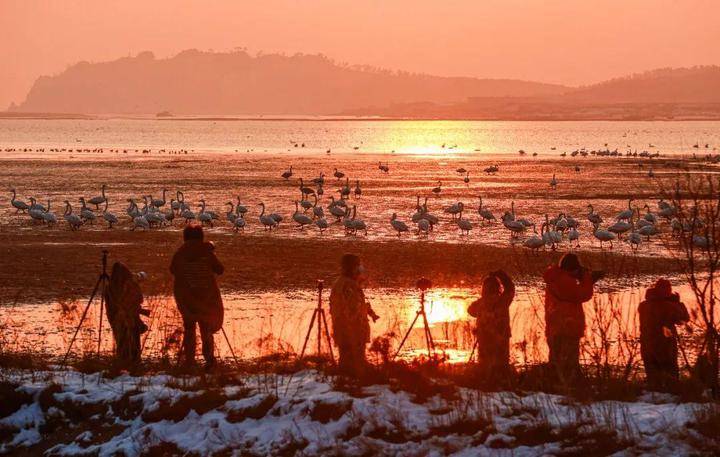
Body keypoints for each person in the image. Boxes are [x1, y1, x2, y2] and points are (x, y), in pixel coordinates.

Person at [170, 224, 224, 369]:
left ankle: (189, 361)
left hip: (186, 300)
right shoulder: (206, 252)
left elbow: (173, 270)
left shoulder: (180, 253)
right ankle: (209, 360)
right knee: (205, 329)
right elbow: (220, 269)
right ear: (201, 237)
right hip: (206, 298)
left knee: (189, 329)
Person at [543, 253, 599, 382]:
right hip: (568, 326)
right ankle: (567, 387)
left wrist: (583, 280)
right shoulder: (565, 280)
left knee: (555, 360)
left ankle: (553, 385)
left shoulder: (554, 277)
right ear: (572, 268)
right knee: (569, 362)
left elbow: (570, 294)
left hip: (554, 326)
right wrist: (587, 279)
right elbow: (582, 295)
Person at [329, 254, 378, 377]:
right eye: (358, 265)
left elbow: (355, 305)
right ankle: (351, 387)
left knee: (348, 363)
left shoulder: (344, 283)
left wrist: (370, 312)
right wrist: (357, 331)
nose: (361, 268)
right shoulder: (348, 285)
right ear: (352, 268)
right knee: (352, 365)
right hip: (351, 333)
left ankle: (346, 385)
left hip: (345, 331)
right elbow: (352, 310)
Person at [638, 278, 689, 389]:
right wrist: (678, 304)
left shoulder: (643, 305)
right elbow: (684, 319)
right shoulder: (669, 305)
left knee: (653, 375)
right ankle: (669, 392)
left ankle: (655, 393)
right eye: (667, 289)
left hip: (647, 343)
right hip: (665, 344)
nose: (669, 291)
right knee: (671, 373)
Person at [467, 270, 515, 380]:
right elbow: (510, 288)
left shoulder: (480, 303)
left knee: (485, 363)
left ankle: (485, 381)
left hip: (484, 339)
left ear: (484, 289)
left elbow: (470, 310)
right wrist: (501, 275)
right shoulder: (503, 301)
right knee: (501, 364)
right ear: (498, 287)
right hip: (501, 339)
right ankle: (501, 382)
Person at [104, 262, 149, 365]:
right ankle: (133, 362)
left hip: (116, 319)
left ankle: (123, 361)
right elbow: (139, 299)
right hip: (131, 319)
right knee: (134, 343)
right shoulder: (130, 285)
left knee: (121, 341)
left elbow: (110, 305)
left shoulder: (110, 287)